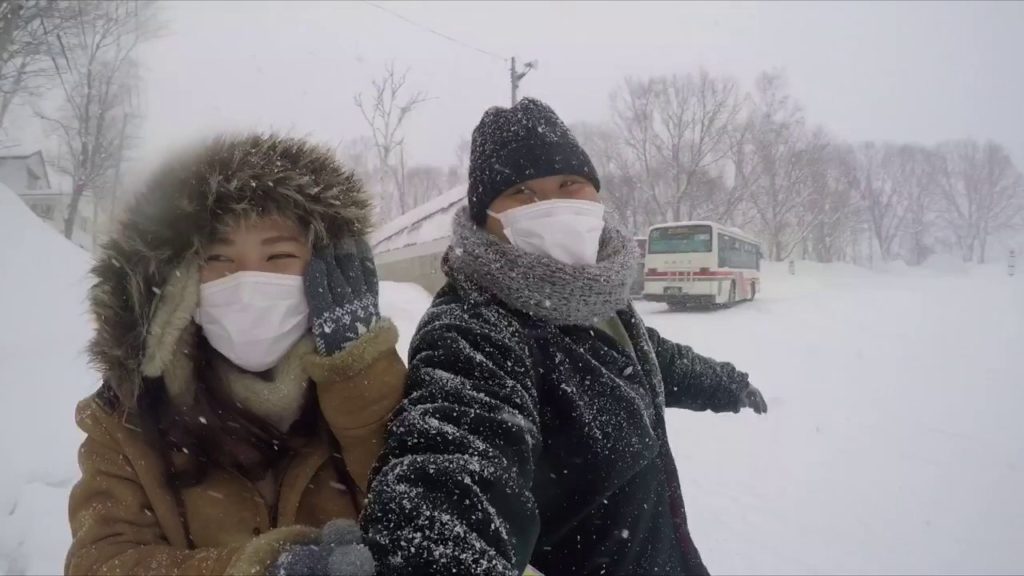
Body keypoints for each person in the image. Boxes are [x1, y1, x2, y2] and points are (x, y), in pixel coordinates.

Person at [346, 98, 768, 576]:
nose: (550, 204)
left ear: (595, 195)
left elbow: (650, 356)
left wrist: (727, 384)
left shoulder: (598, 294)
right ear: (485, 219)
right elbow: (451, 477)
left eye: (569, 184)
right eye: (521, 191)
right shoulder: (471, 329)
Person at [65, 134, 404, 576]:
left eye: (278, 255)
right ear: (179, 283)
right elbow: (100, 562)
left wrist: (358, 378)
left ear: (328, 269)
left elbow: (421, 511)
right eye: (219, 258)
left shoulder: (382, 393)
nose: (247, 282)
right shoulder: (126, 416)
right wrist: (258, 569)